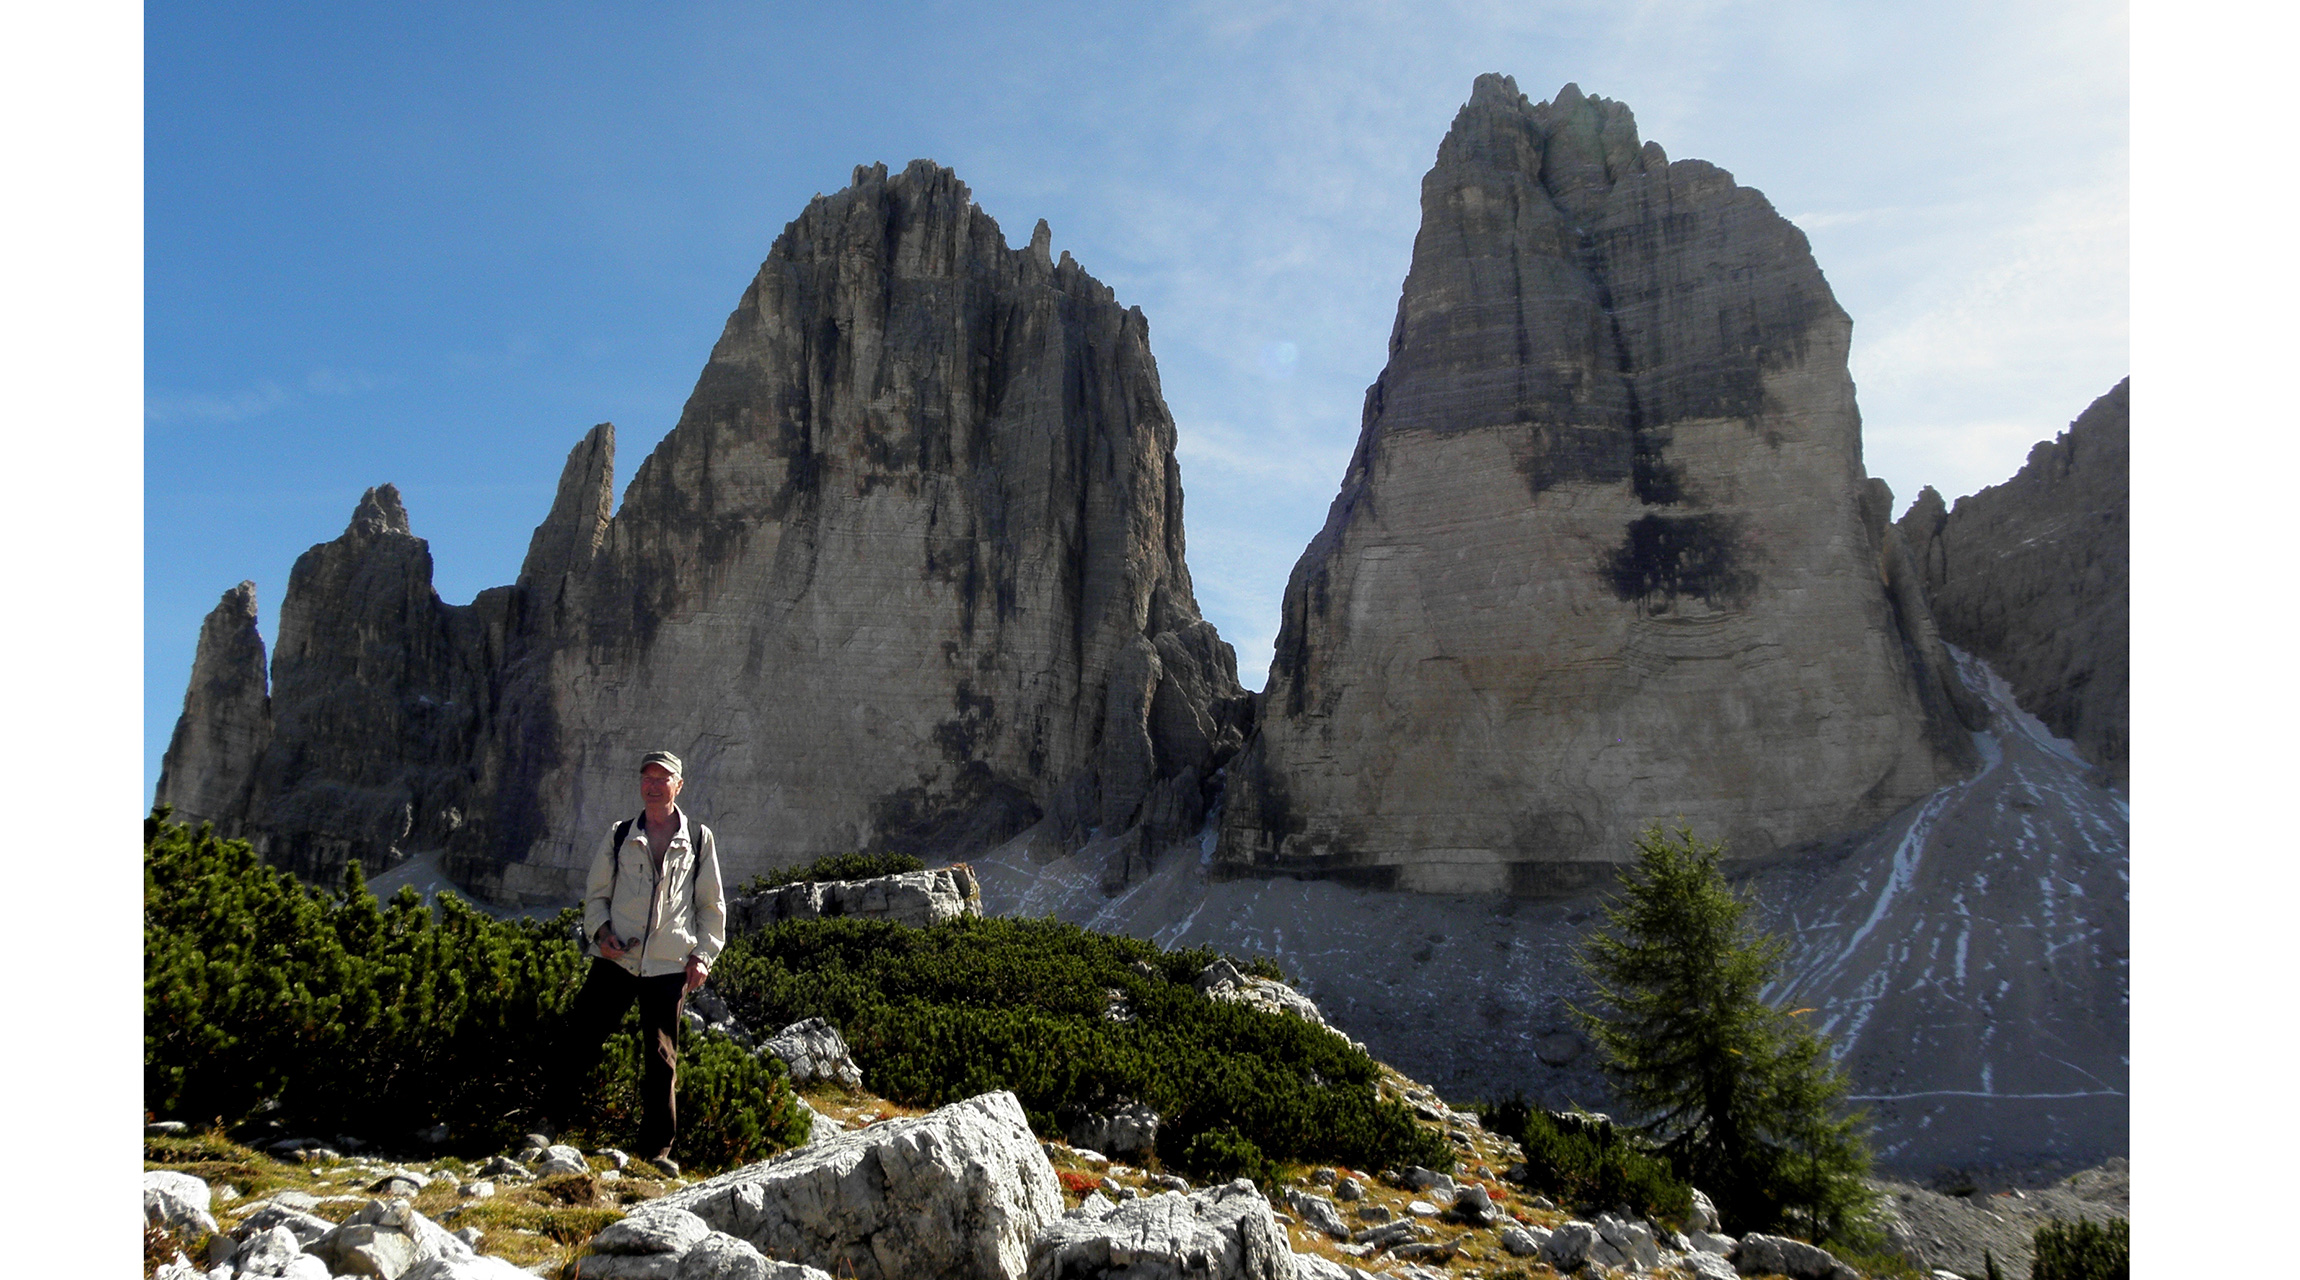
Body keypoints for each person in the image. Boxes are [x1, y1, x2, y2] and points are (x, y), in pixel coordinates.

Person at [551, 749, 726, 1174]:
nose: (652, 786)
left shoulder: (699, 839)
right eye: (646, 778)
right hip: (618, 959)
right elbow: (596, 896)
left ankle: (656, 1154)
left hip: (668, 968)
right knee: (580, 1040)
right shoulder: (620, 834)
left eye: (661, 779)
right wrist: (600, 933)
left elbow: (711, 906)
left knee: (661, 1061)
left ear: (678, 785)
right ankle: (548, 1124)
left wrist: (703, 956)